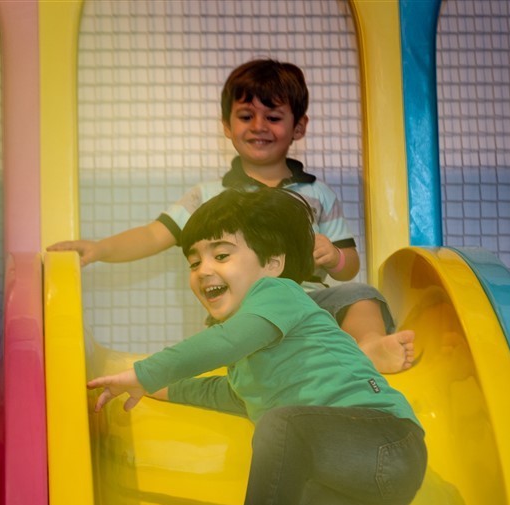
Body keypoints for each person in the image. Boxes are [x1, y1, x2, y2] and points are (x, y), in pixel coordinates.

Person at [87, 187, 427, 505]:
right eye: (194, 261)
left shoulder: (279, 295)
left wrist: (143, 370)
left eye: (221, 255)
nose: (204, 269)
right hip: (366, 489)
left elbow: (227, 342)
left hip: (385, 443)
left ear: (272, 263)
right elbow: (219, 392)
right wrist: (149, 387)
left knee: (282, 424)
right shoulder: (247, 364)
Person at [50, 58, 415, 374]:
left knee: (360, 294)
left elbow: (349, 265)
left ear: (299, 127)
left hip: (307, 306)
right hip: (243, 312)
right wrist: (99, 249)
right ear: (227, 125)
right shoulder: (209, 196)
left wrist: (334, 256)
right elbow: (152, 235)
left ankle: (369, 346)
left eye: (273, 117)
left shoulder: (317, 194)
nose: (259, 126)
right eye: (245, 116)